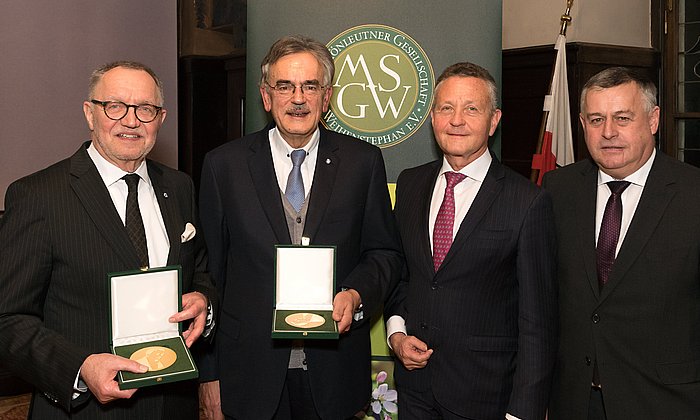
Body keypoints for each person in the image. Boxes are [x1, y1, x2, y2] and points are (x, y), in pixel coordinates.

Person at [197, 35, 402, 420]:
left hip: (334, 375)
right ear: (265, 95)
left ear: (327, 97)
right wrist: (209, 376)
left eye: (310, 86)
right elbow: (211, 277)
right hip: (250, 376)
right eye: (285, 86)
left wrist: (357, 294)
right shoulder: (224, 166)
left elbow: (385, 254)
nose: (298, 98)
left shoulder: (363, 163)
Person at [0, 61, 216, 419]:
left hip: (172, 405)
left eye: (145, 109)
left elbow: (202, 273)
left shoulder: (179, 187)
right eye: (115, 106)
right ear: (90, 113)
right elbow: (7, 318)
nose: (131, 121)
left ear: (160, 119)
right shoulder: (38, 195)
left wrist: (203, 301)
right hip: (86, 410)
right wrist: (80, 367)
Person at [384, 62, 558, 420]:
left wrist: (522, 411)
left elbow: (537, 321)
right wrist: (397, 335)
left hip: (486, 397)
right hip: (415, 391)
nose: (456, 120)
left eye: (471, 109)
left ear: (494, 120)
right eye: (446, 108)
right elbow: (402, 274)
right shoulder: (411, 183)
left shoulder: (527, 201)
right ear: (433, 118)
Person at [543, 67, 700, 419]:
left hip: (667, 403)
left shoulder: (693, 195)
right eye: (596, 119)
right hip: (575, 402)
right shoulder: (558, 190)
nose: (608, 132)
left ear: (654, 119)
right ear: (582, 124)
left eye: (623, 118)